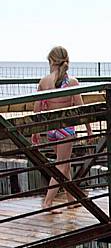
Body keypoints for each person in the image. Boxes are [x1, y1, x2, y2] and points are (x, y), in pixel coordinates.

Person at [31, 46, 93, 213]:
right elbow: (81, 108)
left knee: (64, 164)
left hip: (51, 129)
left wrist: (35, 131)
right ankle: (48, 202)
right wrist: (89, 129)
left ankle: (70, 199)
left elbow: (37, 109)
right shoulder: (72, 82)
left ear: (51, 61)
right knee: (62, 165)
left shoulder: (44, 82)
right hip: (66, 129)